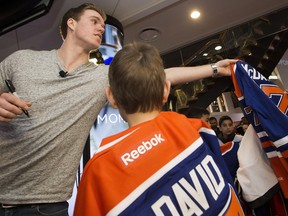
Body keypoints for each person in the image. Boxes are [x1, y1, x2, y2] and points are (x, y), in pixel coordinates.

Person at [0, 3, 237, 215]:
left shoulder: (102, 77)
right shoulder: (22, 60)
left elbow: (158, 76)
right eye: (94, 21)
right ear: (71, 23)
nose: (101, 28)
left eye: (103, 26)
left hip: (46, 205)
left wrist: (215, 68)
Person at [74, 42, 244, 216]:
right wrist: (214, 68)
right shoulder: (192, 128)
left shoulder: (98, 173)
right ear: (166, 90)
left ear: (111, 97)